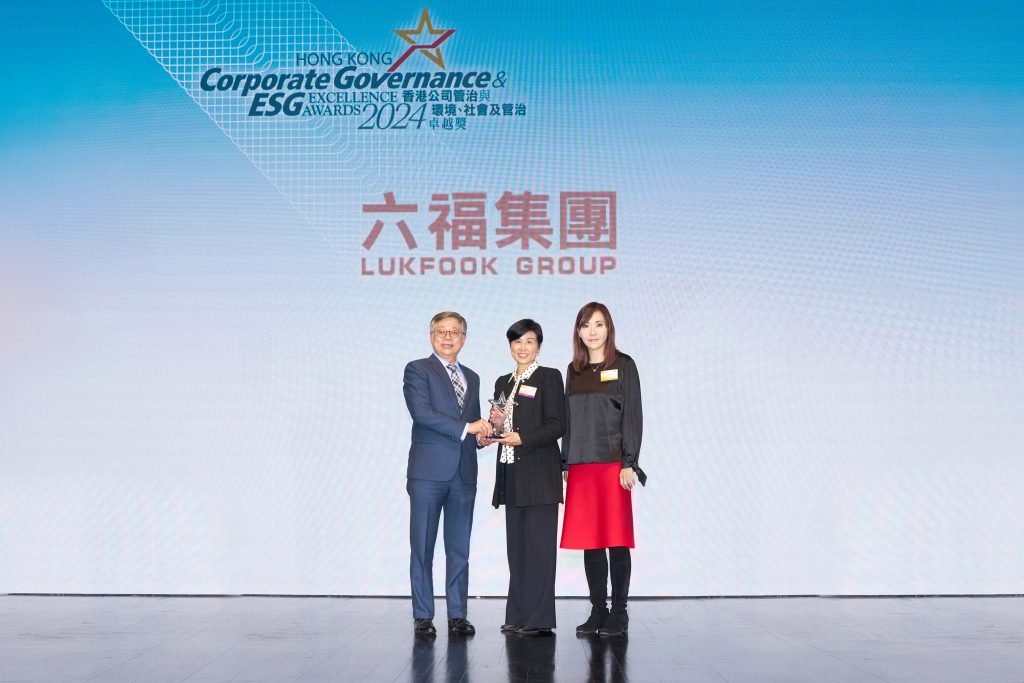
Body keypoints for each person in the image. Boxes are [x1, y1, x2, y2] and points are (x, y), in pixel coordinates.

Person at [403, 311, 493, 637]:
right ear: (431, 336)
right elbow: (422, 413)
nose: (447, 337)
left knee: (459, 549)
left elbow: (472, 424)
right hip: (428, 474)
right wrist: (468, 427)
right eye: (441, 331)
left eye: (454, 332)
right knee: (423, 547)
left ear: (463, 339)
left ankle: (457, 614)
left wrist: (482, 436)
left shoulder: (473, 376)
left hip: (463, 474)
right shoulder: (417, 369)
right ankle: (423, 615)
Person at [560, 302, 646, 637]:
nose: (592, 331)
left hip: (613, 465)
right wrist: (565, 462)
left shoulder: (624, 365)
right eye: (586, 325)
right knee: (590, 541)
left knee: (616, 540)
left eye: (599, 324)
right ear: (578, 332)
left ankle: (619, 613)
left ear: (609, 328)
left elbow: (632, 415)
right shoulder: (574, 370)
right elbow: (568, 420)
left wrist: (629, 461)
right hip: (581, 465)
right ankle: (598, 610)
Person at [481, 319, 565, 636]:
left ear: (538, 345)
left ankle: (539, 618)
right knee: (516, 549)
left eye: (529, 341)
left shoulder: (549, 377)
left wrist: (523, 437)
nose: (523, 347)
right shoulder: (503, 382)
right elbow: (501, 424)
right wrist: (494, 426)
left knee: (540, 550)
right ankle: (517, 613)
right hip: (511, 473)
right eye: (517, 341)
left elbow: (558, 425)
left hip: (540, 474)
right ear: (510, 346)